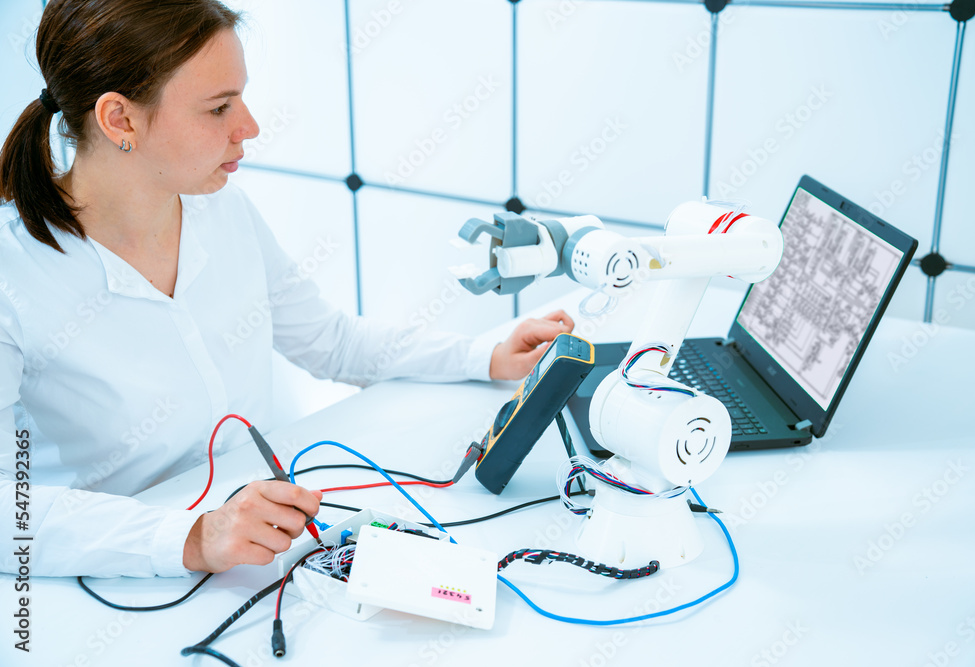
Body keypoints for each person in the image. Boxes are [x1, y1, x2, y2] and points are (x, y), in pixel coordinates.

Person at [0, 0, 573, 578]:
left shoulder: (219, 209)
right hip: (111, 579)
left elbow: (330, 341)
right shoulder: (12, 274)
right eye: (219, 107)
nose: (249, 126)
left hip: (257, 544)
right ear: (119, 119)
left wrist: (486, 356)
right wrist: (192, 538)